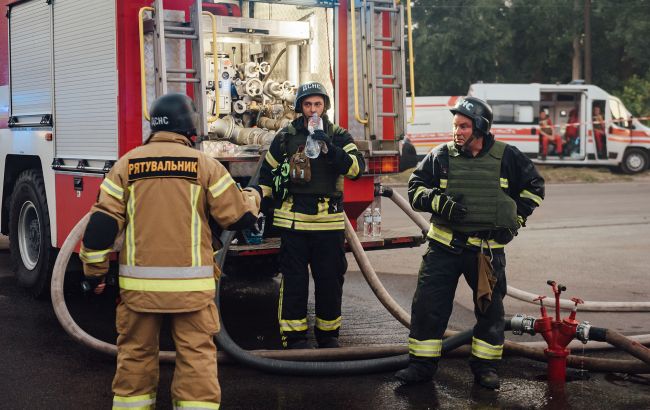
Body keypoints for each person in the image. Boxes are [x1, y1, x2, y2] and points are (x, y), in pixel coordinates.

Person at [79, 93, 261, 409]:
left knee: (135, 357)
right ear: (189, 127)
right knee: (196, 359)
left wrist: (94, 274)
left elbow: (101, 226)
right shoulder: (205, 166)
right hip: (191, 291)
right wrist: (254, 196)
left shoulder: (126, 165)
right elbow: (236, 217)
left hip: (139, 291)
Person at [394, 97, 544, 389]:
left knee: (490, 312)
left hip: (486, 252)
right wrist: (439, 203)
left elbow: (535, 188)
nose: (457, 132)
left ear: (481, 127)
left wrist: (516, 219)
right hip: (444, 248)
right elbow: (415, 189)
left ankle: (485, 367)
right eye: (455, 126)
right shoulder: (441, 156)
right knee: (428, 307)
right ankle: (421, 366)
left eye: (463, 126)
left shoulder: (508, 157)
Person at [259, 81, 365, 349]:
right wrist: (258, 206)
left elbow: (356, 170)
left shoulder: (338, 135)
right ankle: (294, 339)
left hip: (328, 224)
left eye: (318, 104)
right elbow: (266, 176)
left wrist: (330, 148)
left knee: (330, 281)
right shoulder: (285, 136)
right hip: (293, 224)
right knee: (294, 283)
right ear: (300, 107)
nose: (313, 109)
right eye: (308, 104)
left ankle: (328, 336)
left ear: (325, 106)